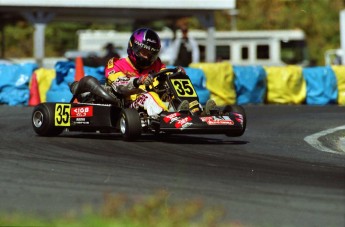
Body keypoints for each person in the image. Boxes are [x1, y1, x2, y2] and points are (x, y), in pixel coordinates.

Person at [104, 27, 215, 117]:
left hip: (154, 102)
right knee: (149, 95)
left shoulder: (156, 64)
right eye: (144, 52)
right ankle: (169, 116)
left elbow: (164, 75)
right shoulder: (117, 64)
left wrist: (176, 75)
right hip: (129, 104)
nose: (147, 57)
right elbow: (117, 85)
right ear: (134, 47)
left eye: (151, 54)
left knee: (173, 86)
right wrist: (138, 81)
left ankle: (198, 112)